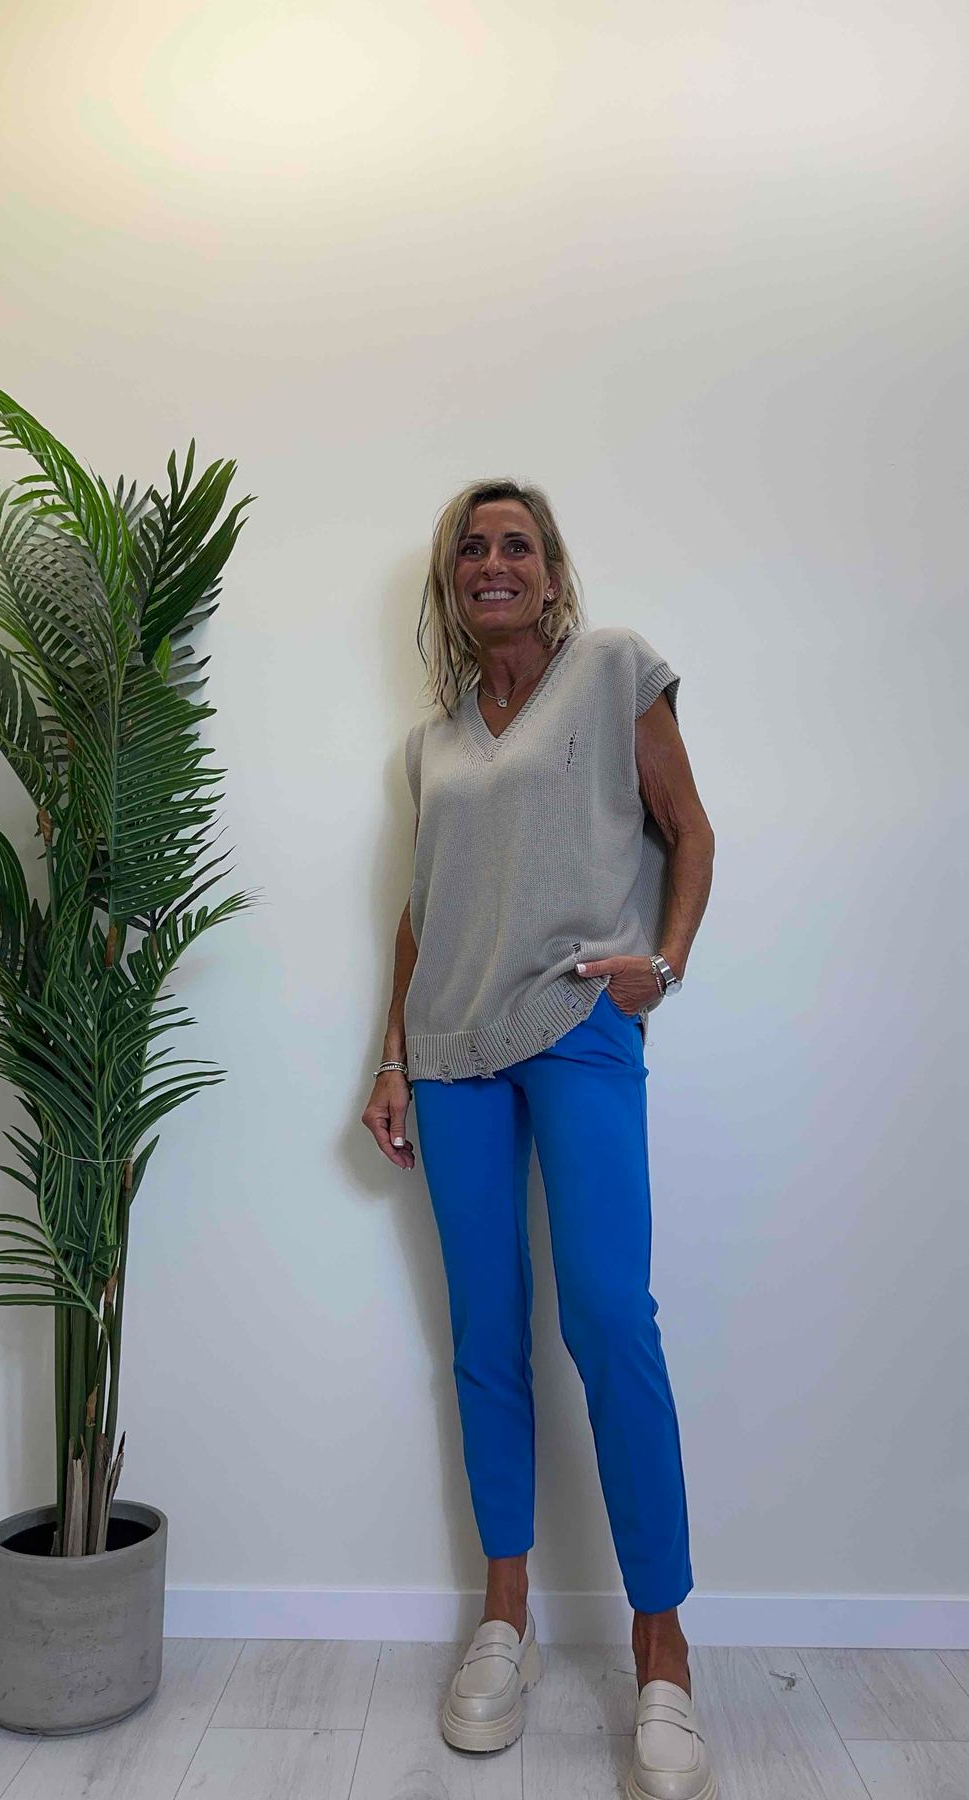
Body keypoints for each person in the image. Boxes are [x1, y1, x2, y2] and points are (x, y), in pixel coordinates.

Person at [361, 479, 718, 1800]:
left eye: (516, 544)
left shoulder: (614, 670)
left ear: (552, 572)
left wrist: (662, 967)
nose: (492, 562)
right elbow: (421, 911)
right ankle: (502, 1617)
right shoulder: (431, 744)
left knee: (610, 1321)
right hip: (451, 1054)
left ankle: (663, 1651)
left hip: (576, 1026)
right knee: (485, 1336)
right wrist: (389, 1059)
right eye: (473, 547)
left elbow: (689, 831)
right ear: (451, 580)